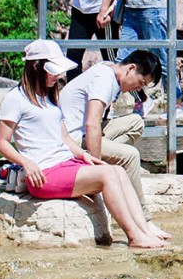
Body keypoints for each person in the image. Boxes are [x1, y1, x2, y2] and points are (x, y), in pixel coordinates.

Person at [0, 40, 169, 250]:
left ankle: (143, 230)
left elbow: (66, 138)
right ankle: (134, 236)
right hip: (45, 173)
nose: (57, 77)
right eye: (53, 71)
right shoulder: (15, 98)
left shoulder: (49, 97)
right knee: (108, 175)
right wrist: (26, 162)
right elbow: (2, 143)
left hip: (65, 163)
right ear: (35, 66)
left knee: (116, 171)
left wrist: (84, 155)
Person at [57, 50, 161, 207]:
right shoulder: (104, 79)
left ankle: (110, 161)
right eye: (141, 83)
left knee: (136, 122)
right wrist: (97, 171)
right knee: (131, 155)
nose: (138, 89)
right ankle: (144, 217)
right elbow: (92, 124)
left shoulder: (108, 68)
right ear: (131, 68)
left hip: (85, 133)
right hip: (74, 140)